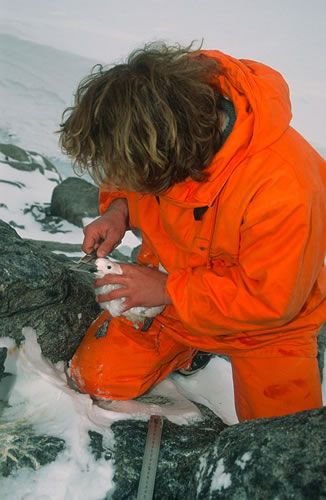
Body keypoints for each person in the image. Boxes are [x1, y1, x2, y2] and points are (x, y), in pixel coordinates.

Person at [59, 42, 326, 421]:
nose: (135, 179)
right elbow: (139, 173)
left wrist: (165, 289)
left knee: (280, 444)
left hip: (268, 327)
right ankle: (189, 347)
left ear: (173, 152)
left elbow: (270, 299)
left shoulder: (286, 184)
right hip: (172, 287)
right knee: (96, 379)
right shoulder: (172, 124)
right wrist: (119, 210)